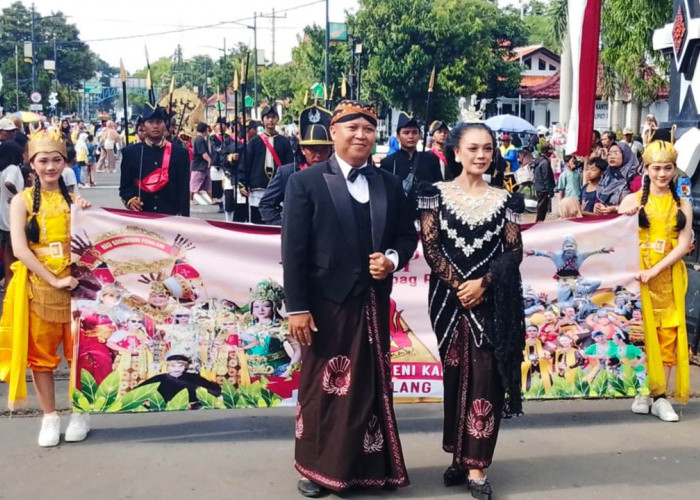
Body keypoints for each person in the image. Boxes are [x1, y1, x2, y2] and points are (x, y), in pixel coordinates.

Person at [282, 100, 416, 497]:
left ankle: (369, 468)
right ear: (334, 132)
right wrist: (298, 308)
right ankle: (316, 469)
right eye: (352, 127)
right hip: (325, 305)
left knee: (369, 388)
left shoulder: (388, 183)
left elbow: (407, 236)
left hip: (372, 303)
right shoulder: (305, 182)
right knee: (323, 387)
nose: (361, 135)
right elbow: (294, 250)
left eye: (368, 129)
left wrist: (391, 260)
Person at [418, 122, 525, 500]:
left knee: (486, 379)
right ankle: (459, 457)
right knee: (456, 377)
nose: (481, 155)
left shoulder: (506, 200)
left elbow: (513, 252)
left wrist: (483, 285)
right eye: (474, 148)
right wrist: (460, 286)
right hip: (447, 301)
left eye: (488, 149)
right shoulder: (434, 195)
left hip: (491, 301)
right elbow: (432, 248)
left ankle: (477, 465)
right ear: (456, 152)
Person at [0, 128, 92, 446]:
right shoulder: (21, 202)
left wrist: (86, 211)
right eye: (43, 161)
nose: (50, 167)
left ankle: (80, 412)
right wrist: (53, 279)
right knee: (41, 358)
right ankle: (50, 416)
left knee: (79, 354)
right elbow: (21, 249)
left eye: (56, 160)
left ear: (65, 162)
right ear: (31, 162)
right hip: (39, 289)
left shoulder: (76, 202)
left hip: (77, 290)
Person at [618, 139, 692, 422]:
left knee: (668, 336)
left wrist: (655, 270)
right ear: (645, 169)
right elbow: (616, 237)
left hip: (669, 277)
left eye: (668, 168)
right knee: (641, 335)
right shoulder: (631, 201)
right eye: (656, 168)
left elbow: (682, 246)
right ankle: (642, 391)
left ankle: (661, 396)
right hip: (637, 276)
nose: (662, 174)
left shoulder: (682, 203)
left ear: (674, 170)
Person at [259, 105, 333, 225]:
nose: (318, 155)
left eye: (323, 149)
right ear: (303, 149)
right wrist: (286, 225)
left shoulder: (338, 173)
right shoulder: (287, 173)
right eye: (313, 149)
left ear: (330, 149)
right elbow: (266, 205)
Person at [119, 104, 190, 216]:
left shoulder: (180, 153)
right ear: (143, 126)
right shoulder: (130, 153)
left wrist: (185, 221)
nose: (155, 126)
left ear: (165, 124)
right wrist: (130, 200)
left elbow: (184, 191)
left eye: (159, 122)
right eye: (151, 122)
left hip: (170, 218)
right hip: (142, 217)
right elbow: (124, 188)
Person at [242, 106, 294, 223]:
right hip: (258, 186)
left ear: (277, 119)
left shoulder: (284, 141)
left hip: (277, 188)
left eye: (273, 117)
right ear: (262, 120)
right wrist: (243, 183)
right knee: (257, 220)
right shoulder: (254, 141)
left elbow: (289, 164)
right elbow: (246, 163)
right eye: (268, 117)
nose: (270, 120)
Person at [380, 111, 443, 197]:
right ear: (398, 136)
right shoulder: (389, 162)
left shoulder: (431, 159)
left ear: (419, 135)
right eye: (406, 133)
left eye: (414, 132)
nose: (411, 136)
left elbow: (440, 187)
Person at [136, 354, 221, 408]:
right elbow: (137, 392)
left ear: (185, 367)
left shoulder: (194, 378)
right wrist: (147, 402)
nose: (177, 369)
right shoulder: (158, 379)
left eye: (180, 366)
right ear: (167, 367)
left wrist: (198, 403)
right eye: (173, 366)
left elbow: (215, 390)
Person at [0, 140, 25, 285]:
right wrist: (18, 196)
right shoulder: (13, 168)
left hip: (4, 212)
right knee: (18, 247)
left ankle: (9, 280)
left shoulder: (2, 168)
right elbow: (9, 183)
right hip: (13, 213)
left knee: (8, 248)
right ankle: (16, 280)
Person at [595, 141, 639, 215]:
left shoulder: (634, 179)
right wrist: (598, 206)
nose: (611, 156)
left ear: (625, 155)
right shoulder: (606, 177)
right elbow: (599, 199)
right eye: (609, 153)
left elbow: (643, 204)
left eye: (616, 153)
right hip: (606, 222)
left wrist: (616, 208)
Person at [189, 122, 212, 204]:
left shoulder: (200, 139)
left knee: (208, 184)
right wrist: (209, 160)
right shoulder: (199, 139)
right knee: (194, 183)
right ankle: (190, 199)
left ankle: (212, 199)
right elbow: (203, 153)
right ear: (205, 130)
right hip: (199, 166)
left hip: (203, 166)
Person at [532, 142, 555, 222]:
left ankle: (539, 222)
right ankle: (539, 223)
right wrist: (550, 191)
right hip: (544, 189)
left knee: (541, 207)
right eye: (550, 151)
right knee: (542, 208)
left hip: (539, 187)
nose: (551, 153)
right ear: (545, 151)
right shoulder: (545, 162)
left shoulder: (538, 160)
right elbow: (547, 178)